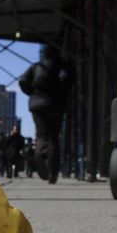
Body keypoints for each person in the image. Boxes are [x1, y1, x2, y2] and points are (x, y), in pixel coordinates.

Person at [18, 45, 72, 184]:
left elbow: (22, 80)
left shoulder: (36, 67)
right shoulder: (60, 65)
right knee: (54, 137)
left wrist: (32, 92)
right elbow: (65, 79)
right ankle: (53, 173)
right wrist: (60, 92)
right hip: (55, 104)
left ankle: (39, 155)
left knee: (41, 134)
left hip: (37, 104)